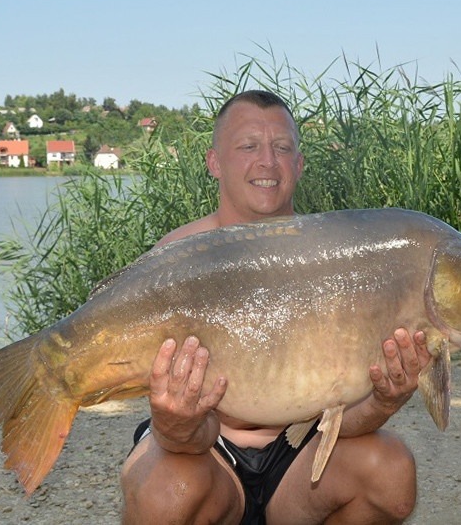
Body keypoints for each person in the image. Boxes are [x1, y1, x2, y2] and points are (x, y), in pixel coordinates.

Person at [120, 90, 431, 524]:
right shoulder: (179, 260)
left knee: (392, 474)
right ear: (214, 162)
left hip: (302, 455)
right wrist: (175, 422)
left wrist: (384, 399)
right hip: (209, 452)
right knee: (168, 494)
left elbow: (342, 420)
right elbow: (187, 438)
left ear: (299, 165)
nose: (267, 161)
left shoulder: (334, 260)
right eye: (248, 146)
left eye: (282, 148)